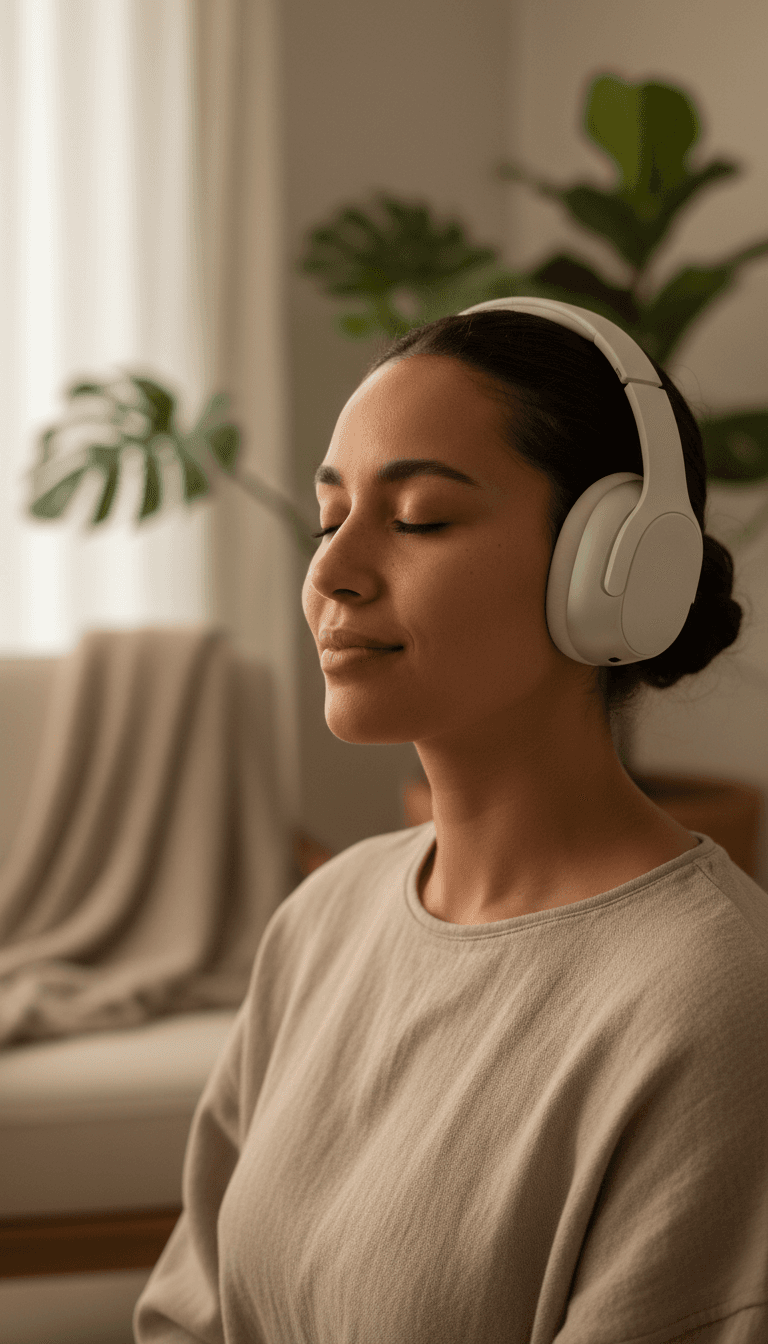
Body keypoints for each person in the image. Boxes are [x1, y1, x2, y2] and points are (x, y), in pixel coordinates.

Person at [135, 305, 768, 1344]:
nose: (332, 572)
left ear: (609, 569)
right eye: (328, 516)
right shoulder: (325, 917)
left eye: (420, 516)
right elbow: (189, 1313)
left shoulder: (713, 1006)